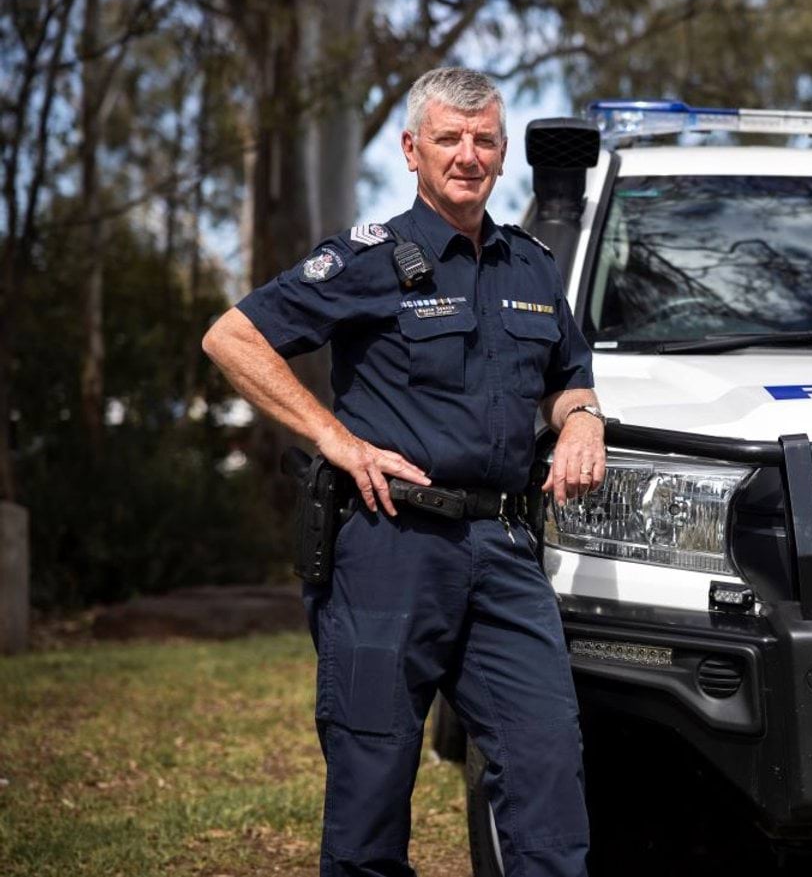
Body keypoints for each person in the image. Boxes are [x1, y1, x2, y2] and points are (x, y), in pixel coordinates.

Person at [202, 66, 604, 877]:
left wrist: (583, 420)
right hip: (389, 547)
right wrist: (334, 438)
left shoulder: (531, 268)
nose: (469, 154)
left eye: (485, 139)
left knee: (547, 765)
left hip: (501, 547)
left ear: (501, 154)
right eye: (449, 138)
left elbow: (571, 374)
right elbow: (232, 339)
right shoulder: (370, 259)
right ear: (412, 150)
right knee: (371, 793)